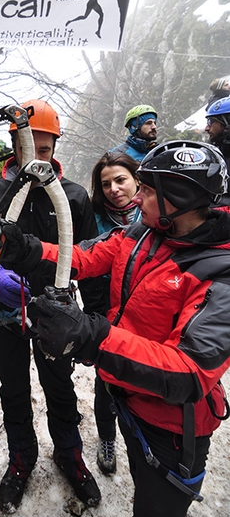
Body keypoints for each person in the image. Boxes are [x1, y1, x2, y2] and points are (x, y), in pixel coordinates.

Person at [0, 140, 230, 517]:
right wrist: (28, 250)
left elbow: (190, 371)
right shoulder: (143, 232)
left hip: (169, 430)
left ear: (178, 199)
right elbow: (85, 255)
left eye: (147, 189)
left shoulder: (220, 273)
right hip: (123, 391)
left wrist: (92, 335)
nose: (134, 195)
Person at [0, 99, 104, 513]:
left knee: (59, 386)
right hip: (5, 312)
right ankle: (22, 457)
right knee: (14, 387)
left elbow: (91, 254)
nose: (35, 158)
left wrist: (91, 311)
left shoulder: (74, 196)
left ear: (55, 148)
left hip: (54, 313)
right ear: (15, 143)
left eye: (44, 151)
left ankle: (69, 453)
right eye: (28, 148)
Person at [90, 151, 141, 475]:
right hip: (105, 312)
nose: (113, 189)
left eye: (120, 180)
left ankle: (142, 443)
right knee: (105, 381)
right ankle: (107, 438)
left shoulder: (154, 218)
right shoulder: (94, 217)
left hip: (146, 314)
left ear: (138, 180)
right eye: (106, 183)